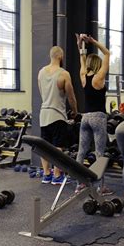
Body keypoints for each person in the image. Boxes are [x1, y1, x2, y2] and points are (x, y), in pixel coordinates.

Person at [73, 34, 113, 195]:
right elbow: (108, 54)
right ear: (97, 64)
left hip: (85, 117)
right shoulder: (99, 77)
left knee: (81, 152)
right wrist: (93, 42)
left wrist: (80, 44)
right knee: (99, 153)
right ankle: (100, 187)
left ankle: (79, 184)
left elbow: (82, 58)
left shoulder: (83, 76)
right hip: (98, 118)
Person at [38, 46, 78, 185]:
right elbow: (71, 97)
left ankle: (46, 174)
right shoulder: (64, 74)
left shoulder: (41, 72)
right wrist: (75, 111)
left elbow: (42, 93)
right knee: (58, 146)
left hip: (44, 114)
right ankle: (56, 175)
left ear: (51, 56)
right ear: (61, 57)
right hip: (57, 115)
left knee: (44, 146)